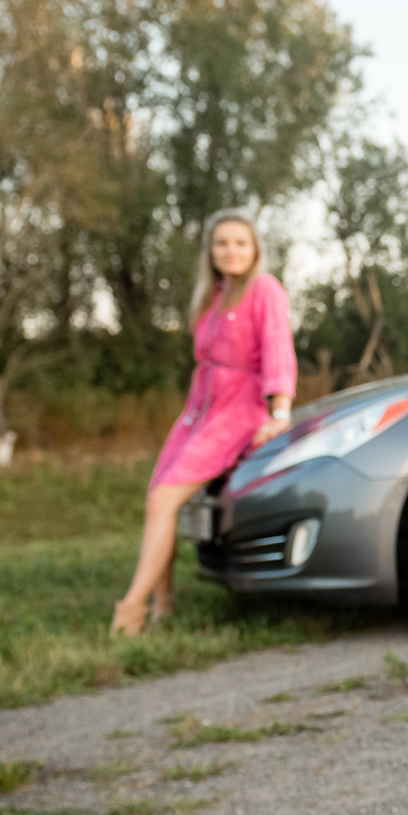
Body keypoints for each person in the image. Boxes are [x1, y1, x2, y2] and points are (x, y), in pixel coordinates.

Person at [114, 214, 296, 636]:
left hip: (238, 410)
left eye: (240, 243)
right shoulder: (213, 295)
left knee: (164, 501)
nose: (230, 251)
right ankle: (164, 603)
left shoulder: (264, 290)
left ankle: (130, 609)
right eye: (221, 244)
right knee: (156, 500)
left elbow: (278, 348)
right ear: (210, 251)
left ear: (254, 250)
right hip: (198, 411)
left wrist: (280, 411)